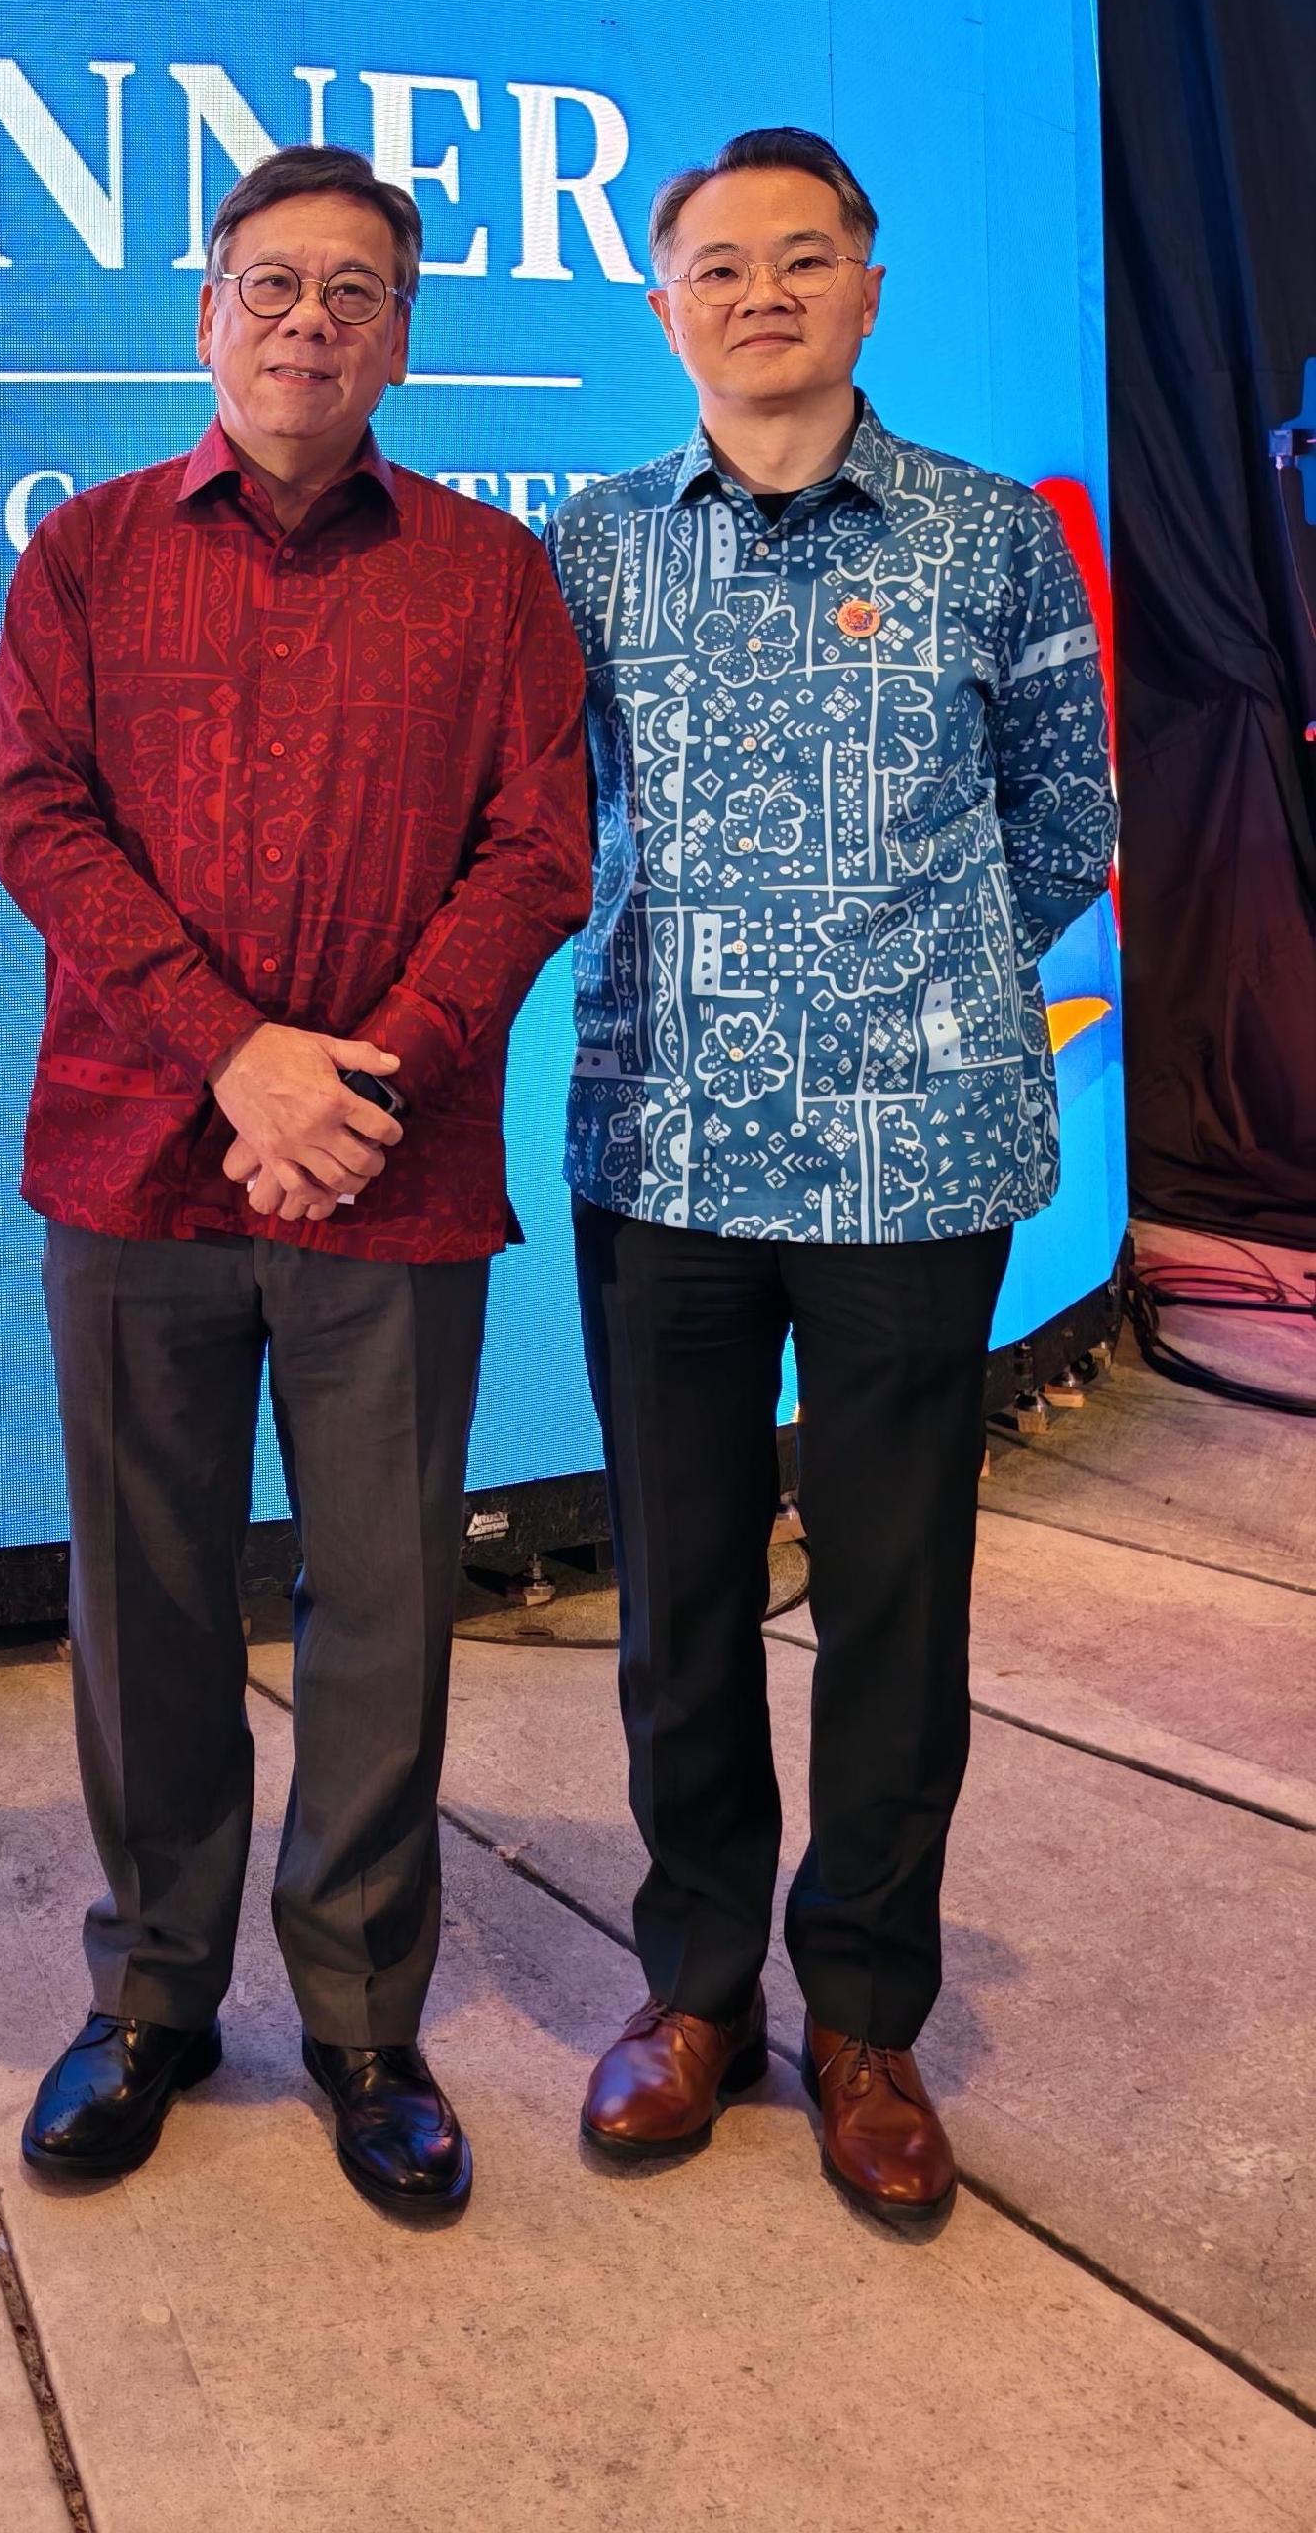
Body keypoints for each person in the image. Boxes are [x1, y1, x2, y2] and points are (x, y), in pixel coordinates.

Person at [0, 142, 590, 2215]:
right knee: (144, 1600)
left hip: (389, 1181)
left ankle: (360, 2018)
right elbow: (43, 825)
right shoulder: (83, 558)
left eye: (356, 290)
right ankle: (154, 1994)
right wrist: (236, 1054)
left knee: (385, 1611)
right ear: (207, 314)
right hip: (134, 1162)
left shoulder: (493, 579)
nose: (310, 320)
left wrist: (366, 1078)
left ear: (403, 338)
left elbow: (538, 853)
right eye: (273, 282)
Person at [546, 127, 1115, 2220]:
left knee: (896, 1600)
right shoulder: (592, 544)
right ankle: (697, 1988)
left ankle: (866, 2013)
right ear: (664, 304)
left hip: (916, 1159)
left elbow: (1069, 815)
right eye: (719, 264)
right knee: (681, 1595)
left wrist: (920, 984)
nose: (761, 292)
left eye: (803, 258)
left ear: (870, 288)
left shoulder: (989, 533)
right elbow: (544, 818)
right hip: (665, 1143)